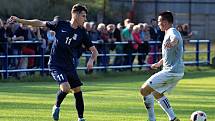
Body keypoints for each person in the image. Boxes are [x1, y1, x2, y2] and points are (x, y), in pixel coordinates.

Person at [9, 3, 98, 121]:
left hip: (69, 65)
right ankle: (56, 106)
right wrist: (20, 20)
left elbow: (94, 51)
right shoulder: (60, 24)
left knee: (77, 90)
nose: (85, 19)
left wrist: (91, 60)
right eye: (83, 16)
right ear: (75, 15)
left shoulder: (82, 33)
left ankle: (80, 118)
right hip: (55, 64)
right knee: (66, 88)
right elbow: (39, 23)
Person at [140, 11, 184, 121]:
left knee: (144, 90)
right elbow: (169, 55)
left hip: (171, 71)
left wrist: (172, 43)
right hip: (176, 71)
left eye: (159, 21)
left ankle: (152, 119)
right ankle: (173, 118)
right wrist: (159, 63)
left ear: (165, 22)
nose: (158, 23)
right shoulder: (167, 33)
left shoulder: (172, 31)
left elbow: (175, 39)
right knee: (156, 92)